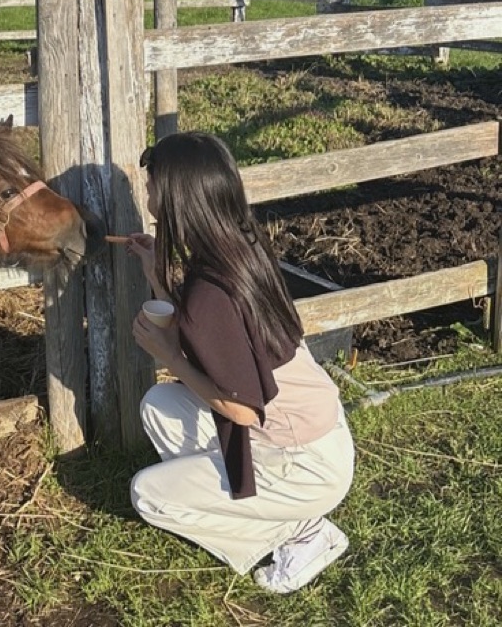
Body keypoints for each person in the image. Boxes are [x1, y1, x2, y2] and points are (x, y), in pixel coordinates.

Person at [126, 131, 354, 594]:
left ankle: (303, 532)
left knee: (148, 495)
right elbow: (208, 332)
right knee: (159, 406)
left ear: (173, 198)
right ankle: (250, 498)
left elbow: (242, 410)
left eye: (149, 187)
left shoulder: (211, 292)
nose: (145, 195)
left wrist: (169, 356)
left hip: (306, 464)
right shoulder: (239, 246)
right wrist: (157, 275)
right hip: (314, 429)